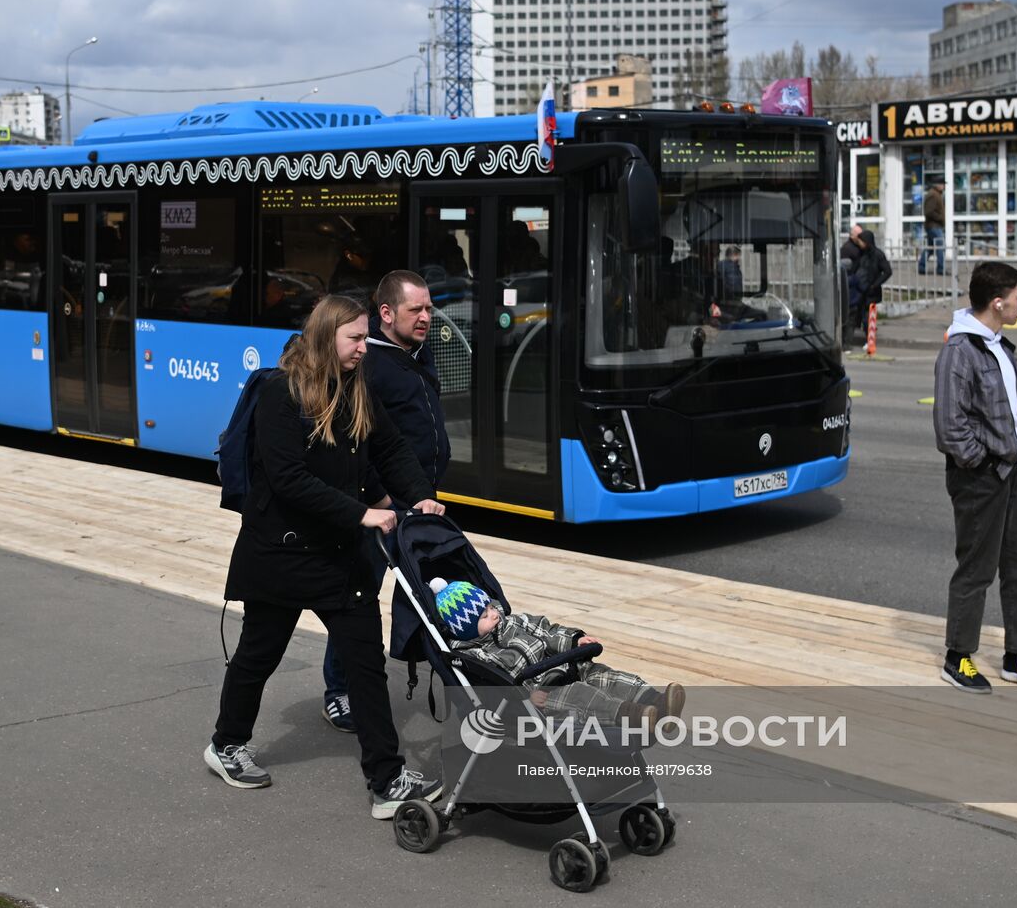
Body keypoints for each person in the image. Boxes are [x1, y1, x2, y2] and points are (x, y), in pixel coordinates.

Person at [206, 294, 450, 819]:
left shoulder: (356, 387)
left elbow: (387, 449)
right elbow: (288, 478)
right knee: (259, 654)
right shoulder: (281, 393)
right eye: (355, 339)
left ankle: (386, 778)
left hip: (340, 556)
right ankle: (227, 744)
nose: (365, 348)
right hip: (282, 553)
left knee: (364, 663)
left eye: (366, 338)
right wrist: (361, 514)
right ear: (325, 338)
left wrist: (418, 494)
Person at [319, 270, 450, 733]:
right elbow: (362, 440)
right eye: (416, 310)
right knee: (359, 596)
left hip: (418, 501)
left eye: (430, 308)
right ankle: (339, 691)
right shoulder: (368, 362)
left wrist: (422, 494)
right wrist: (382, 497)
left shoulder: (418, 354)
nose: (426, 318)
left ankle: (448, 677)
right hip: (383, 506)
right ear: (387, 313)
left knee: (433, 593)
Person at [932, 261, 1017, 695]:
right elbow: (950, 425)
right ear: (997, 302)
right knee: (976, 570)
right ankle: (957, 656)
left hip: (1014, 474)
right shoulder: (960, 351)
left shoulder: (999, 346)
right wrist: (983, 464)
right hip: (982, 477)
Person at [433, 579, 686, 729]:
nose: (494, 614)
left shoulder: (513, 622)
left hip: (563, 666)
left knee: (603, 674)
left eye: (489, 606)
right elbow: (492, 687)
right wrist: (525, 699)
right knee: (584, 696)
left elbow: (547, 631)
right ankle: (634, 715)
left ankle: (658, 702)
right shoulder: (476, 655)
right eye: (484, 615)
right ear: (466, 629)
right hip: (542, 692)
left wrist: (575, 640)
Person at [849, 228, 892, 340]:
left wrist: (875, 285)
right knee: (859, 316)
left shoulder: (878, 255)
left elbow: (887, 271)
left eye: (861, 241)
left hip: (872, 292)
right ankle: (865, 338)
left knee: (868, 318)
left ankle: (870, 340)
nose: (860, 243)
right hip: (860, 292)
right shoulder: (861, 253)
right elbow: (856, 268)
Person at [919, 181, 945, 276]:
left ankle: (921, 266)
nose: (943, 186)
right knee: (940, 246)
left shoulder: (936, 194)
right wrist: (940, 217)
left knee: (930, 248)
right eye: (942, 184)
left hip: (935, 226)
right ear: (936, 185)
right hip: (934, 226)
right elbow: (929, 212)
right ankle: (940, 269)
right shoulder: (933, 195)